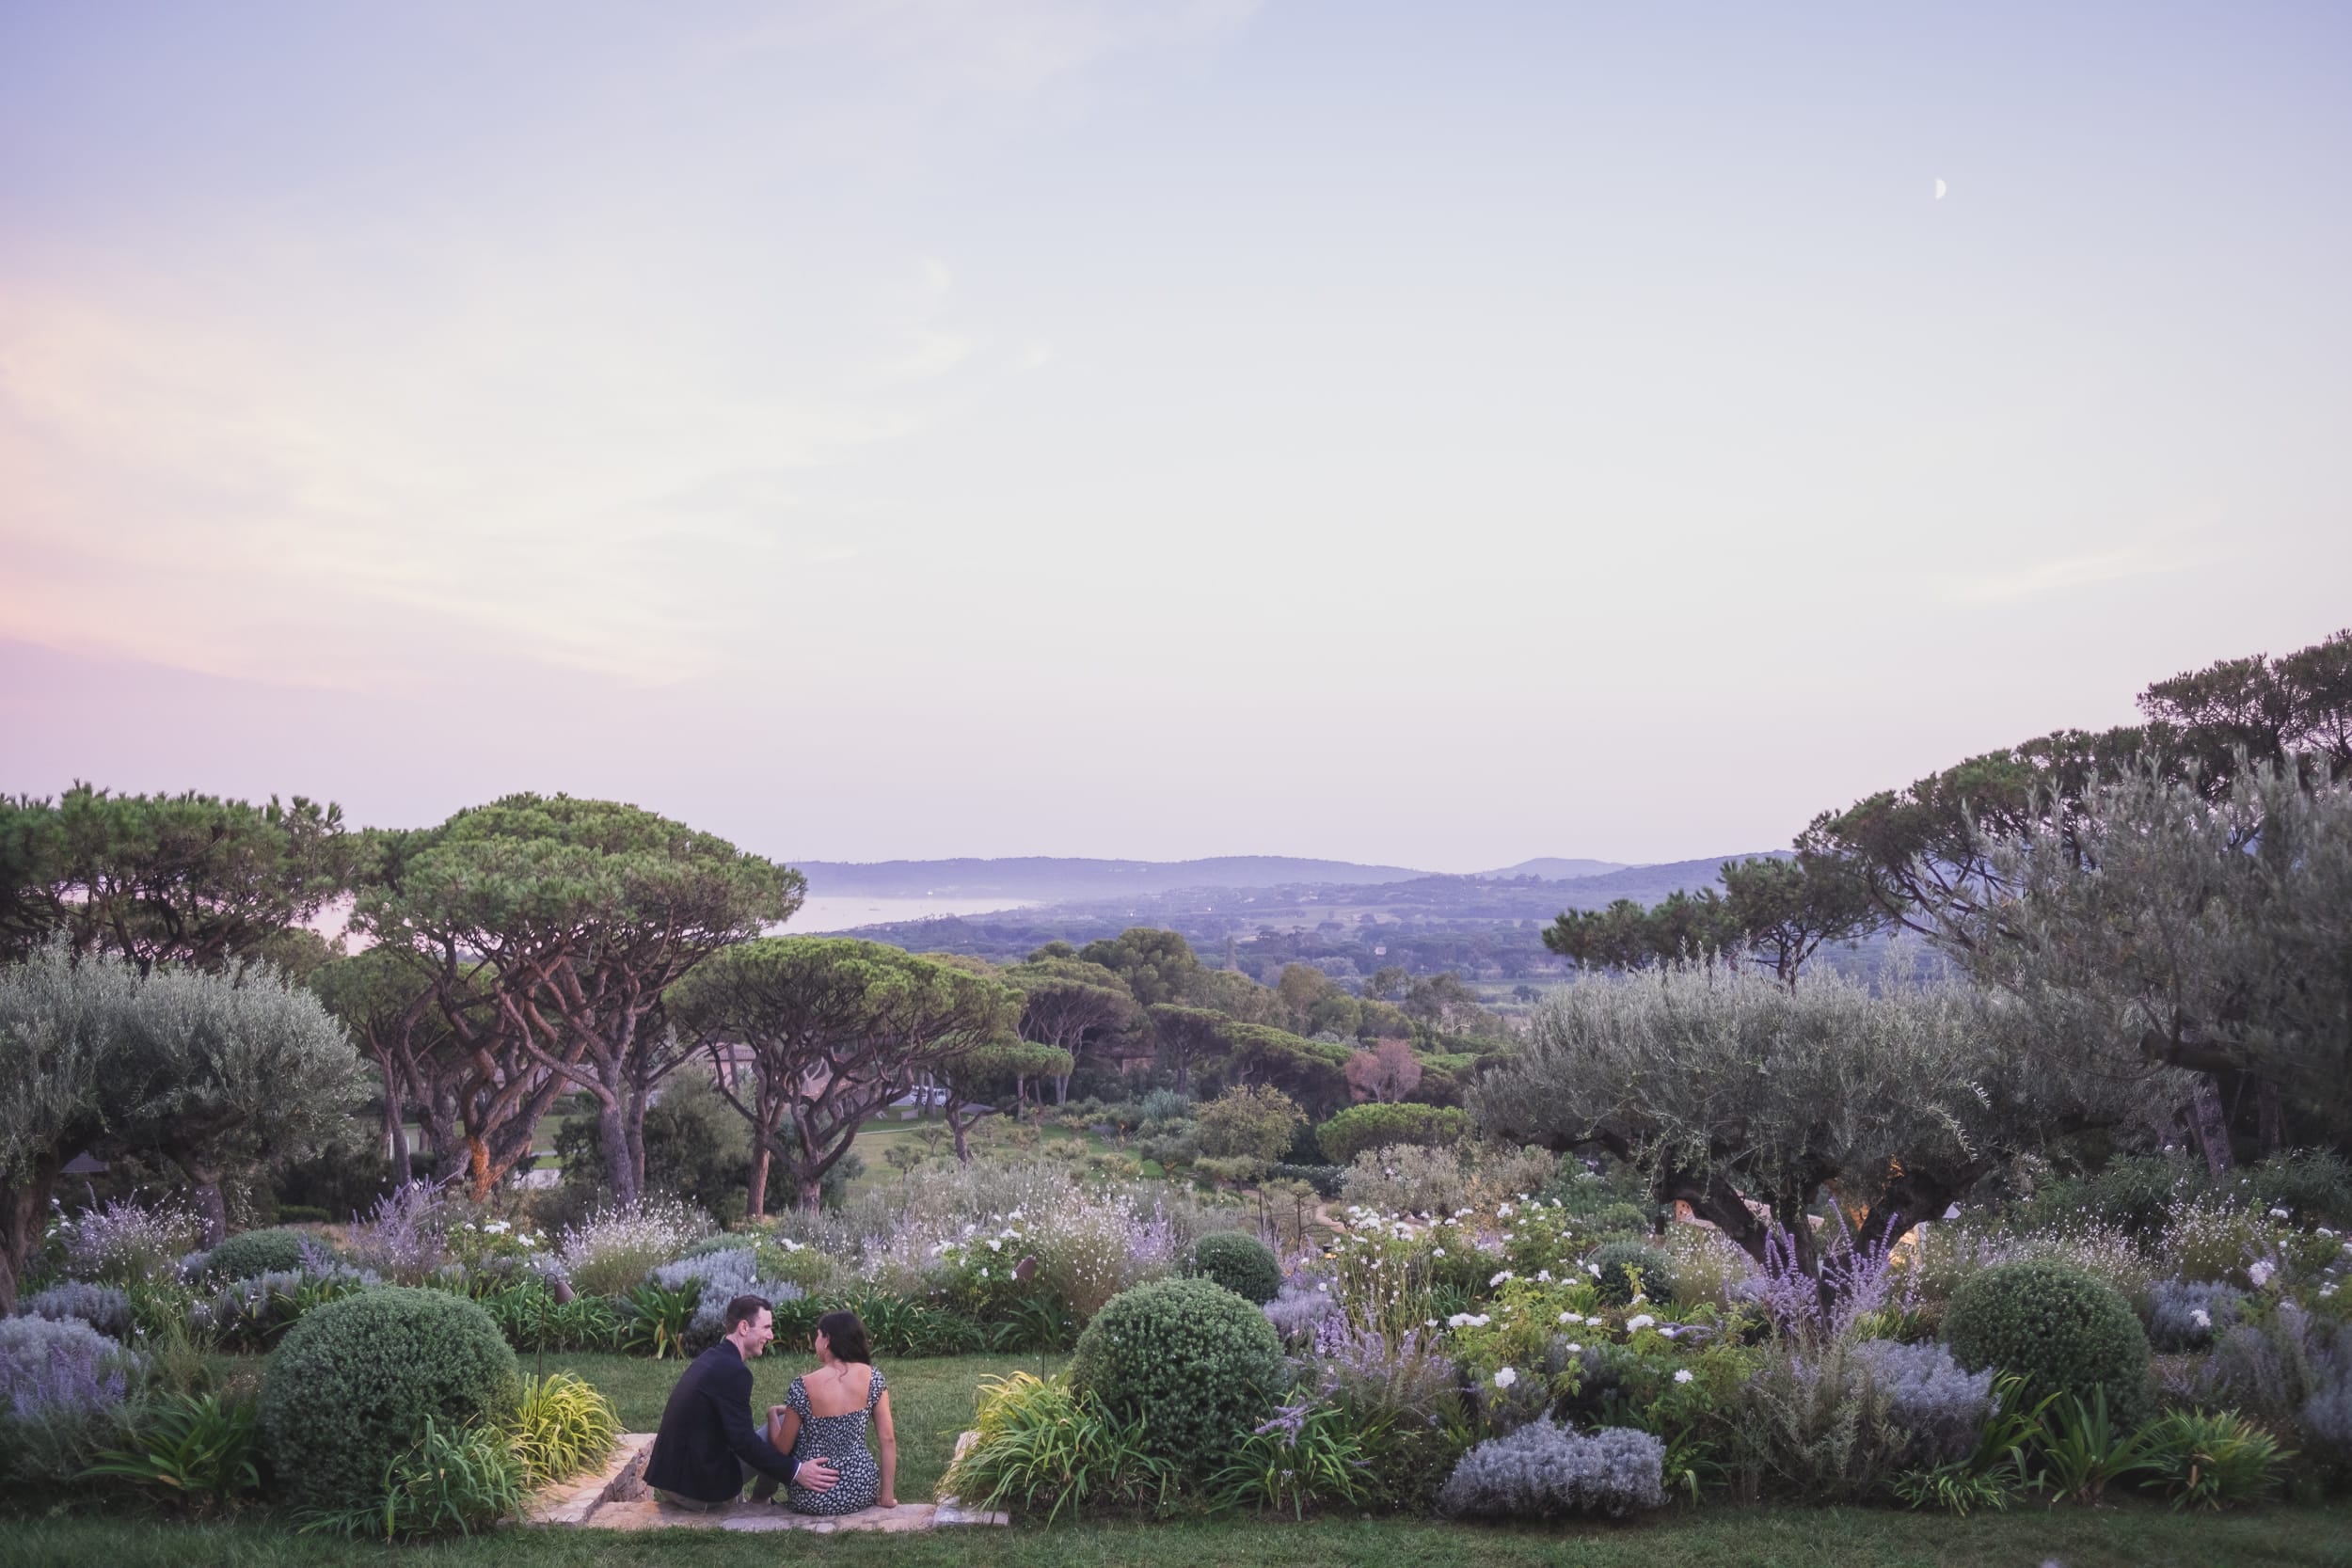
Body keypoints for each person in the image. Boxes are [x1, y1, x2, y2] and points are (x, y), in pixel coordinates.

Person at [644, 1293, 840, 1510]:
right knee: (784, 1423)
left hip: (673, 1480)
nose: (771, 1335)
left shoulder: (713, 1358)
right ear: (744, 1328)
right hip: (696, 1490)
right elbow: (745, 1443)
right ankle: (759, 1501)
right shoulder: (734, 1372)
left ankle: (761, 1498)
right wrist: (797, 1471)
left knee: (779, 1420)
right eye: (766, 1327)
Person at [766, 1308, 898, 1514]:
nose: (815, 1341)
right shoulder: (874, 1378)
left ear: (827, 1340)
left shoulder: (803, 1386)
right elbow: (887, 1439)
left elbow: (781, 1449)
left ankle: (759, 1497)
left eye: (817, 1335)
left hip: (815, 1493)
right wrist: (887, 1496)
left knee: (792, 1429)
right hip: (861, 1488)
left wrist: (772, 1415)